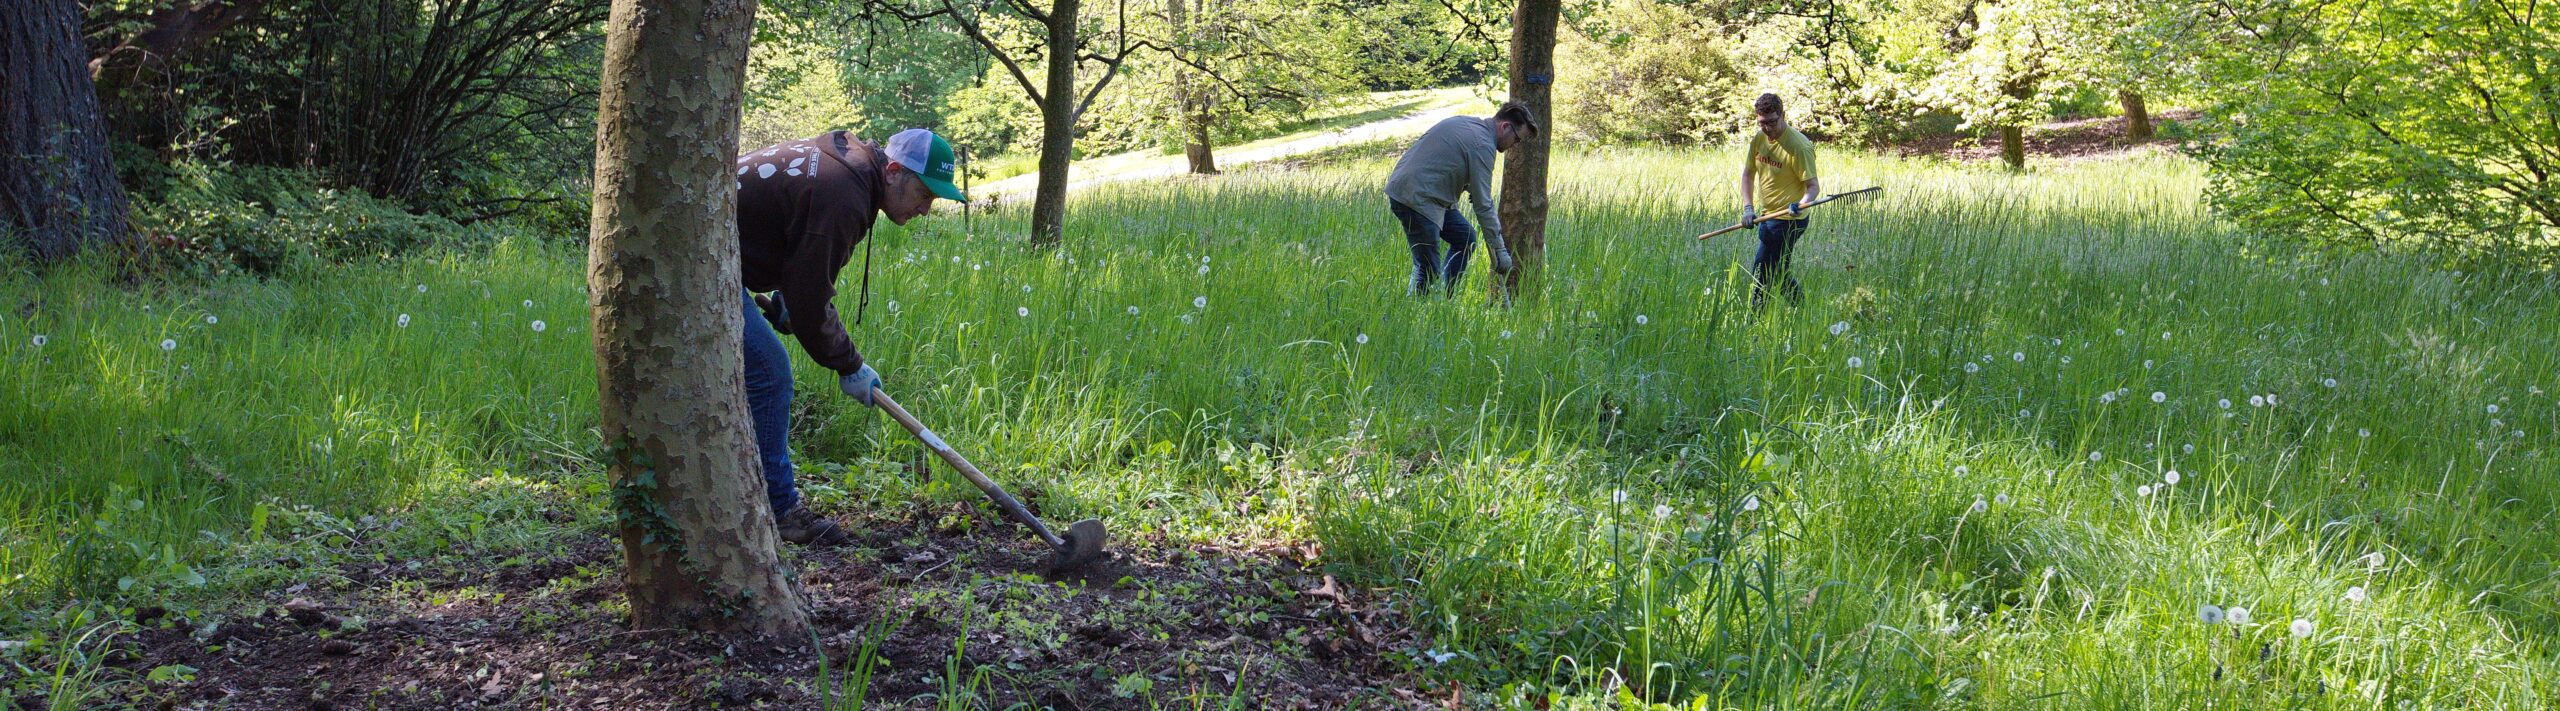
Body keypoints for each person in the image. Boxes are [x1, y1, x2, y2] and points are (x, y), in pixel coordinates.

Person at [734, 127, 966, 545]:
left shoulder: (847, 166)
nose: (926, 209)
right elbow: (809, 300)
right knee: (770, 375)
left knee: (759, 371)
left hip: (716, 257)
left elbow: (801, 261)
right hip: (695, 264)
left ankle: (745, 492)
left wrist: (791, 294)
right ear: (893, 171)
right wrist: (849, 364)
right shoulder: (844, 193)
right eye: (925, 195)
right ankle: (781, 510)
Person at [1384, 100, 1535, 296]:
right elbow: (1483, 205)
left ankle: (1447, 297)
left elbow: (1447, 166)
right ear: (1505, 126)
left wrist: (1467, 186)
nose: (1514, 145)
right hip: (1415, 199)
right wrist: (1500, 251)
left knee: (1465, 238)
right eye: (1516, 139)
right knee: (1427, 269)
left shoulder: (1468, 124)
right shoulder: (1483, 145)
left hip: (1426, 195)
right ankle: (1414, 313)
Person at [1738, 93, 1821, 307]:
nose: (1767, 128)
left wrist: (1800, 204)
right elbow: (1748, 175)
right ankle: (1801, 310)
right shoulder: (1759, 139)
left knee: (1762, 268)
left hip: (1790, 219)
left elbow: (1813, 188)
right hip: (1768, 216)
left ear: (1782, 115)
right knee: (1776, 270)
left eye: (1772, 122)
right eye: (1762, 123)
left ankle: (1755, 318)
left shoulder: (1798, 146)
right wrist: (1748, 208)